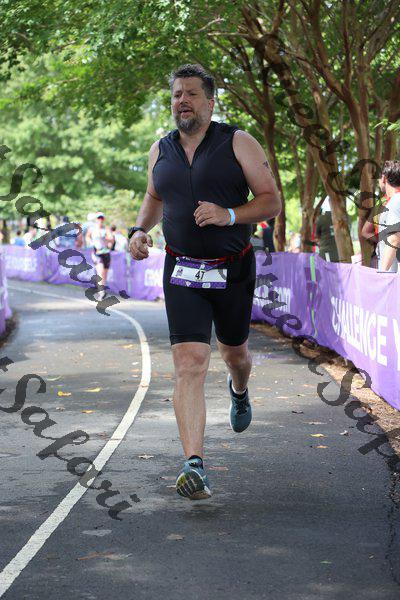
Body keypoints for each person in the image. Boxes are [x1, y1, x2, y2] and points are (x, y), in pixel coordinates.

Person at [128, 64, 281, 500]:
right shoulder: (160, 150)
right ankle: (194, 465)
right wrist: (139, 230)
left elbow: (271, 201)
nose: (183, 101)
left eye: (192, 94)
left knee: (235, 354)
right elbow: (154, 196)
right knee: (190, 362)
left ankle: (240, 389)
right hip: (182, 271)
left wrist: (229, 214)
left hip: (232, 269)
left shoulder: (238, 142)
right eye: (177, 94)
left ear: (210, 103)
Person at [375, 161, 400, 272]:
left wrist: (382, 273)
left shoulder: (395, 202)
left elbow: (394, 239)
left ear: (384, 178)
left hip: (393, 277)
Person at [86, 213, 115, 299]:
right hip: (97, 253)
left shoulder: (106, 229)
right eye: (99, 218)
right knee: (100, 271)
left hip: (106, 252)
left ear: (103, 219)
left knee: (104, 274)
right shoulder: (92, 229)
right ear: (96, 219)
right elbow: (87, 237)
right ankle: (101, 292)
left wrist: (105, 238)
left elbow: (112, 239)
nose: (100, 220)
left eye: (102, 218)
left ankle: (101, 290)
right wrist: (89, 241)